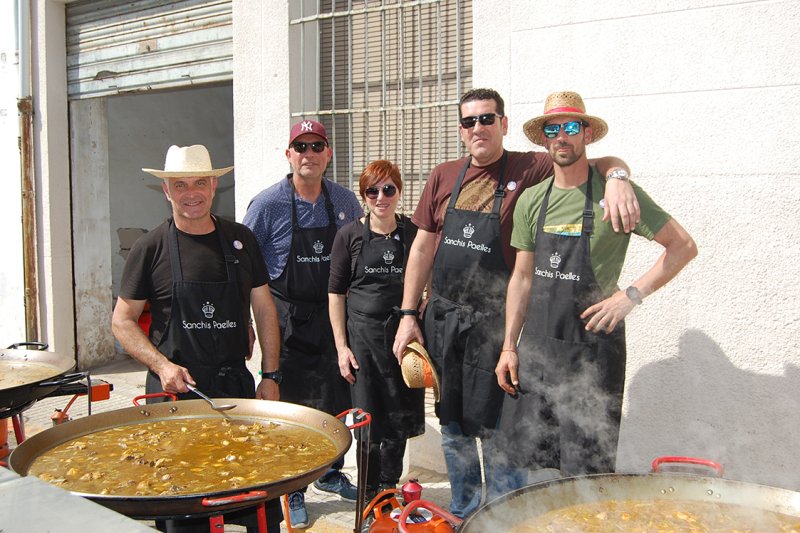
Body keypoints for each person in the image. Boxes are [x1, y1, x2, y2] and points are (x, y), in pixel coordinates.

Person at [391, 88, 640, 518]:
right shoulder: (443, 174)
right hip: (444, 317)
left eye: (487, 119)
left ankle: (505, 517)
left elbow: (594, 161)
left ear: (504, 124)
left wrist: (618, 179)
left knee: (501, 427)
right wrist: (409, 315)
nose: (478, 128)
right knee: (452, 425)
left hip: (495, 322)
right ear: (460, 130)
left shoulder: (531, 165)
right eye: (469, 122)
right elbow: (421, 250)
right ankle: (465, 510)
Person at [496, 91, 697, 483]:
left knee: (588, 474)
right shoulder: (532, 200)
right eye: (553, 129)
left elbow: (683, 247)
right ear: (544, 139)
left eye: (571, 127)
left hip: (593, 352)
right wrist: (509, 346)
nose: (562, 137)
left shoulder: (614, 194)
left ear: (586, 134)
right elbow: (521, 278)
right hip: (538, 348)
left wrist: (630, 296)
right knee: (530, 464)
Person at [111, 144, 283, 532]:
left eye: (200, 182)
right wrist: (161, 365)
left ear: (214, 184)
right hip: (175, 395)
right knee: (183, 502)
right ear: (167, 191)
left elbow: (265, 308)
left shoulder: (241, 239)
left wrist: (271, 375)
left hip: (233, 388)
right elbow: (122, 321)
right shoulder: (149, 248)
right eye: (180, 184)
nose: (192, 192)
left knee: (250, 493)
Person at [243, 119, 363, 528]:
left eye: (317, 146)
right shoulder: (266, 205)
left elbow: (359, 261)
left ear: (328, 153)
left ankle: (329, 472)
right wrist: (245, 322)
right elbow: (247, 270)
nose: (309, 154)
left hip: (334, 318)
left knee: (335, 402)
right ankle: (293, 486)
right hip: (287, 319)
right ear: (288, 154)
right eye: (301, 147)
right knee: (291, 407)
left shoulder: (346, 201)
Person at [328, 160, 425, 500]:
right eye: (372, 191)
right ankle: (369, 493)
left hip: (402, 341)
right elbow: (335, 294)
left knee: (399, 417)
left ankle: (388, 486)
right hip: (363, 342)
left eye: (388, 189)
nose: (381, 197)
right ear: (363, 195)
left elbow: (430, 280)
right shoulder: (349, 235)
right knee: (368, 423)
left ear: (399, 192)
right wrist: (342, 347)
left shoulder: (413, 233)